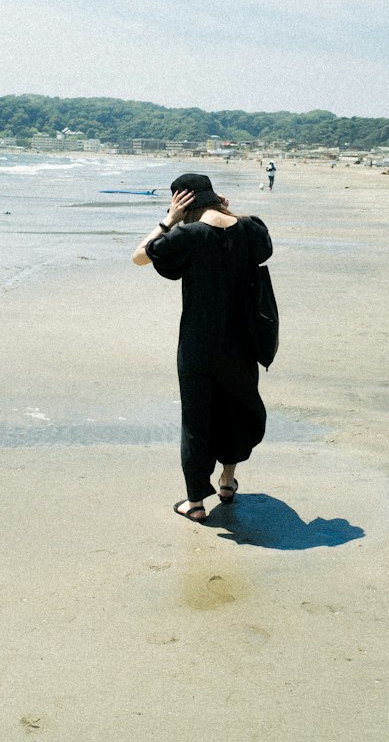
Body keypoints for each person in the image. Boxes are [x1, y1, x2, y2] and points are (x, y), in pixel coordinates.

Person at [133, 173, 273, 524]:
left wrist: (169, 220)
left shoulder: (187, 235)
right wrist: (227, 211)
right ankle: (227, 482)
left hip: (198, 344)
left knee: (196, 421)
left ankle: (195, 502)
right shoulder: (249, 228)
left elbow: (139, 256)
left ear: (182, 203)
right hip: (241, 343)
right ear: (214, 196)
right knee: (234, 411)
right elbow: (261, 249)